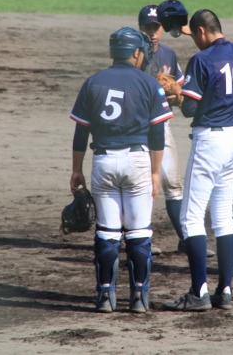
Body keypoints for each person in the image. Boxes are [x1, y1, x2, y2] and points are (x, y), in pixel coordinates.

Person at [69, 27, 173, 313]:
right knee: (139, 231)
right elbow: (157, 134)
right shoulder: (149, 83)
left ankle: (105, 296)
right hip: (137, 162)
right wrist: (155, 172)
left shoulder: (93, 82)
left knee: (107, 233)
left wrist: (76, 170)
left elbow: (81, 132)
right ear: (136, 53)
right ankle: (139, 297)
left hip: (103, 162)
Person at [163, 9, 233, 311]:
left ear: (200, 31)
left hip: (210, 143)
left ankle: (198, 292)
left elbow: (189, 109)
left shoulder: (201, 60)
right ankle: (224, 291)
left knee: (191, 218)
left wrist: (177, 94)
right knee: (223, 216)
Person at [137, 5, 215, 258]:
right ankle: (141, 239)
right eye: (148, 27)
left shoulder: (168, 54)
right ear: (140, 28)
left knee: (173, 184)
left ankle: (186, 238)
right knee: (142, 183)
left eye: (156, 27)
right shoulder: (132, 53)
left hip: (161, 127)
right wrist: (161, 93)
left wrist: (178, 95)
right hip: (136, 130)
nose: (152, 33)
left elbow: (180, 90)